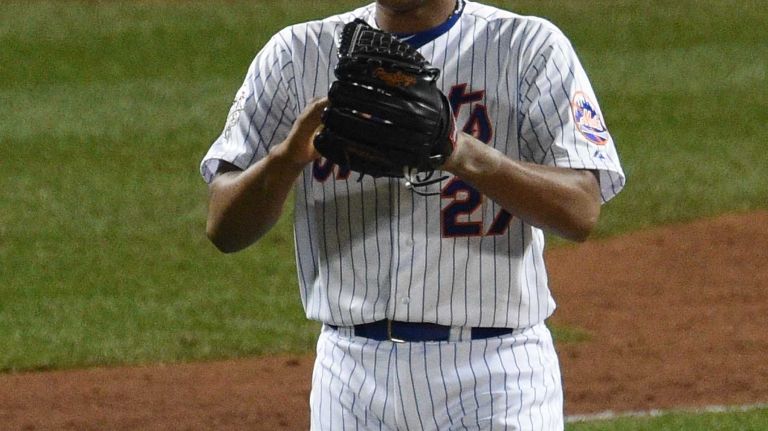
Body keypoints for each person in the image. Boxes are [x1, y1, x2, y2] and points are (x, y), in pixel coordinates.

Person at [200, 0, 625, 429]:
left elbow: (580, 209)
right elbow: (223, 227)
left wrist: (460, 152)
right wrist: (285, 159)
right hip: (350, 378)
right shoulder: (296, 54)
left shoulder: (527, 46)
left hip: (493, 376)